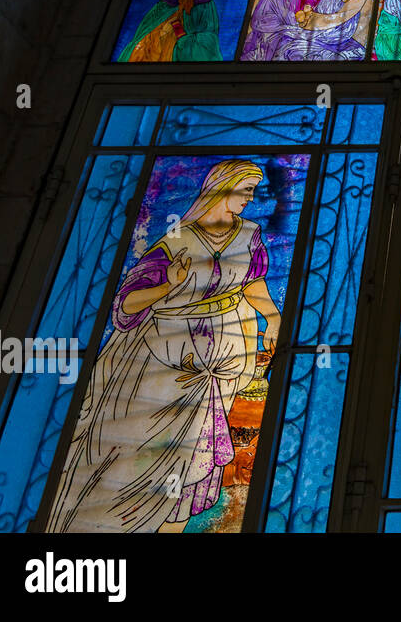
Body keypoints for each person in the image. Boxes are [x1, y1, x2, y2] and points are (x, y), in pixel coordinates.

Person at [47, 160, 281, 532]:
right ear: (221, 188)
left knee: (193, 453)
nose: (251, 199)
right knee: (140, 445)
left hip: (225, 352)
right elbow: (127, 303)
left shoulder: (249, 234)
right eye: (246, 190)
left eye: (253, 191)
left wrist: (275, 317)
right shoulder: (178, 237)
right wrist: (168, 285)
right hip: (163, 356)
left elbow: (253, 284)